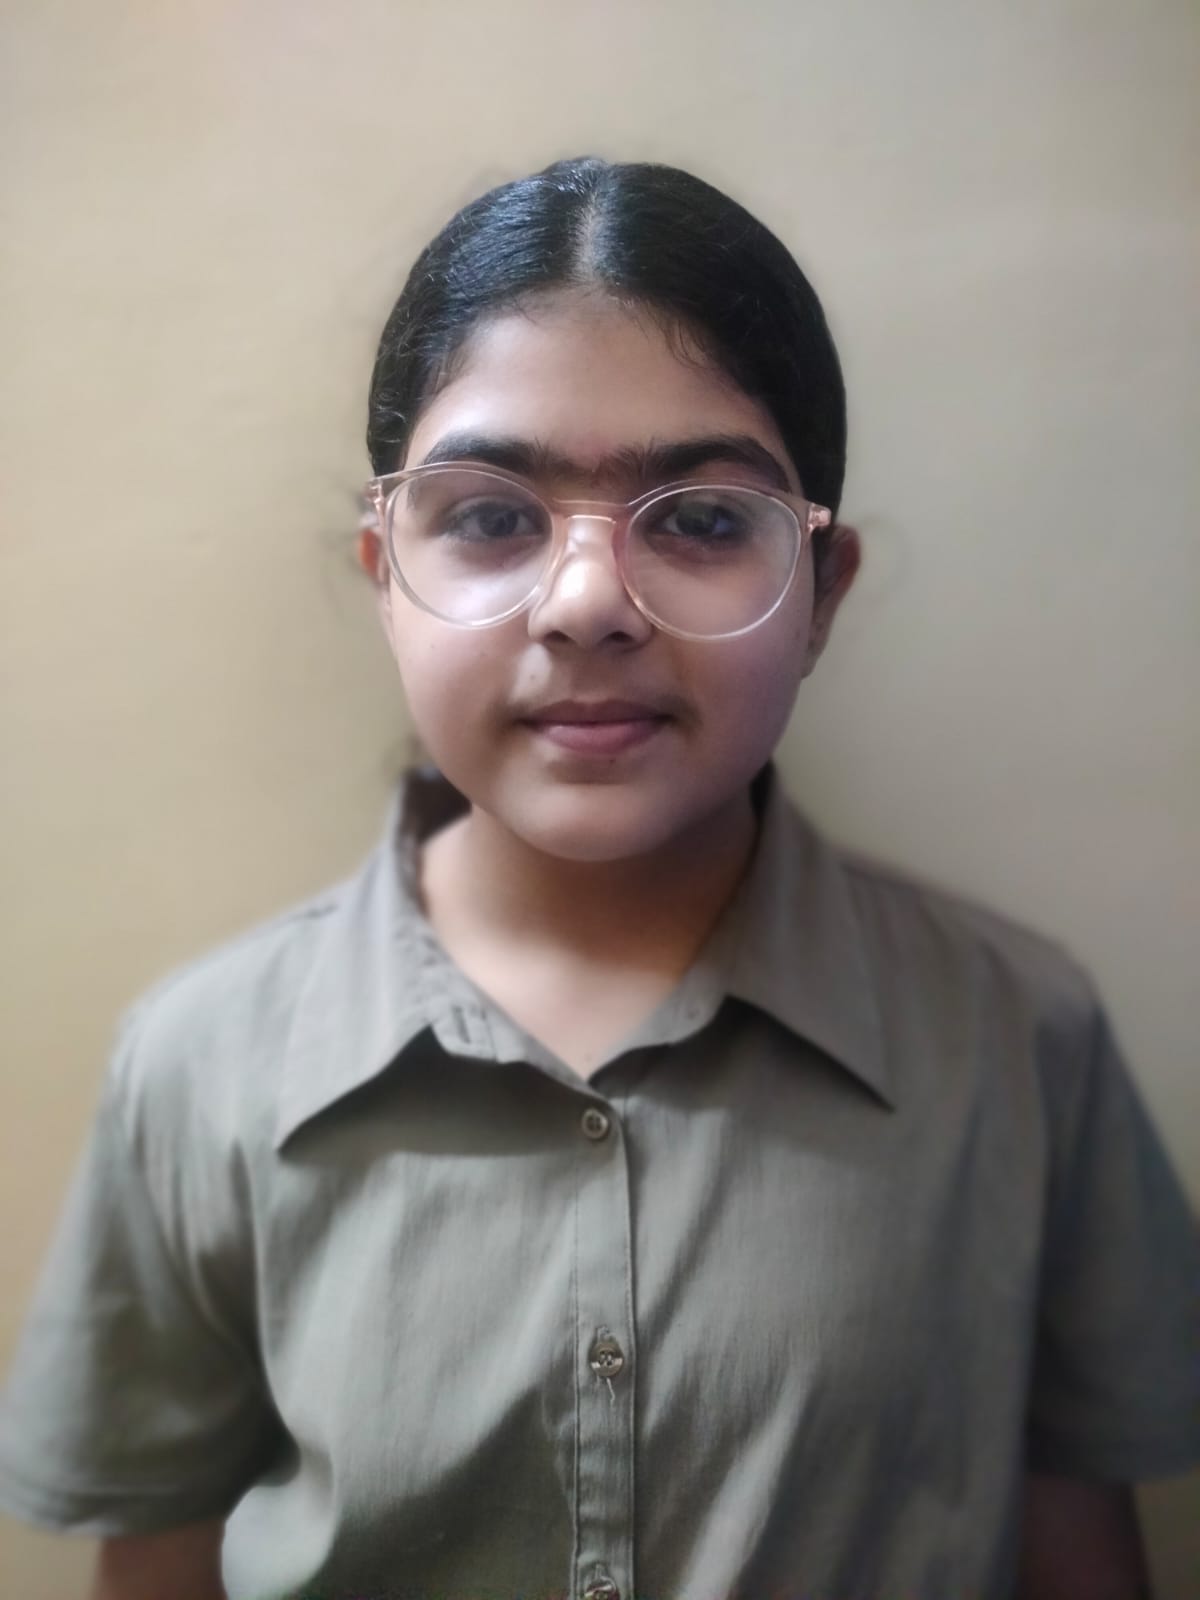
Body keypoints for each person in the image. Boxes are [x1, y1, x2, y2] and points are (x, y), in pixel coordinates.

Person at [0, 155, 1197, 1600]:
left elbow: (1079, 1548)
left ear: (821, 595)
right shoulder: (200, 1068)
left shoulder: (1017, 1040)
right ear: (385, 574)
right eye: (491, 516)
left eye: (700, 519)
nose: (584, 607)